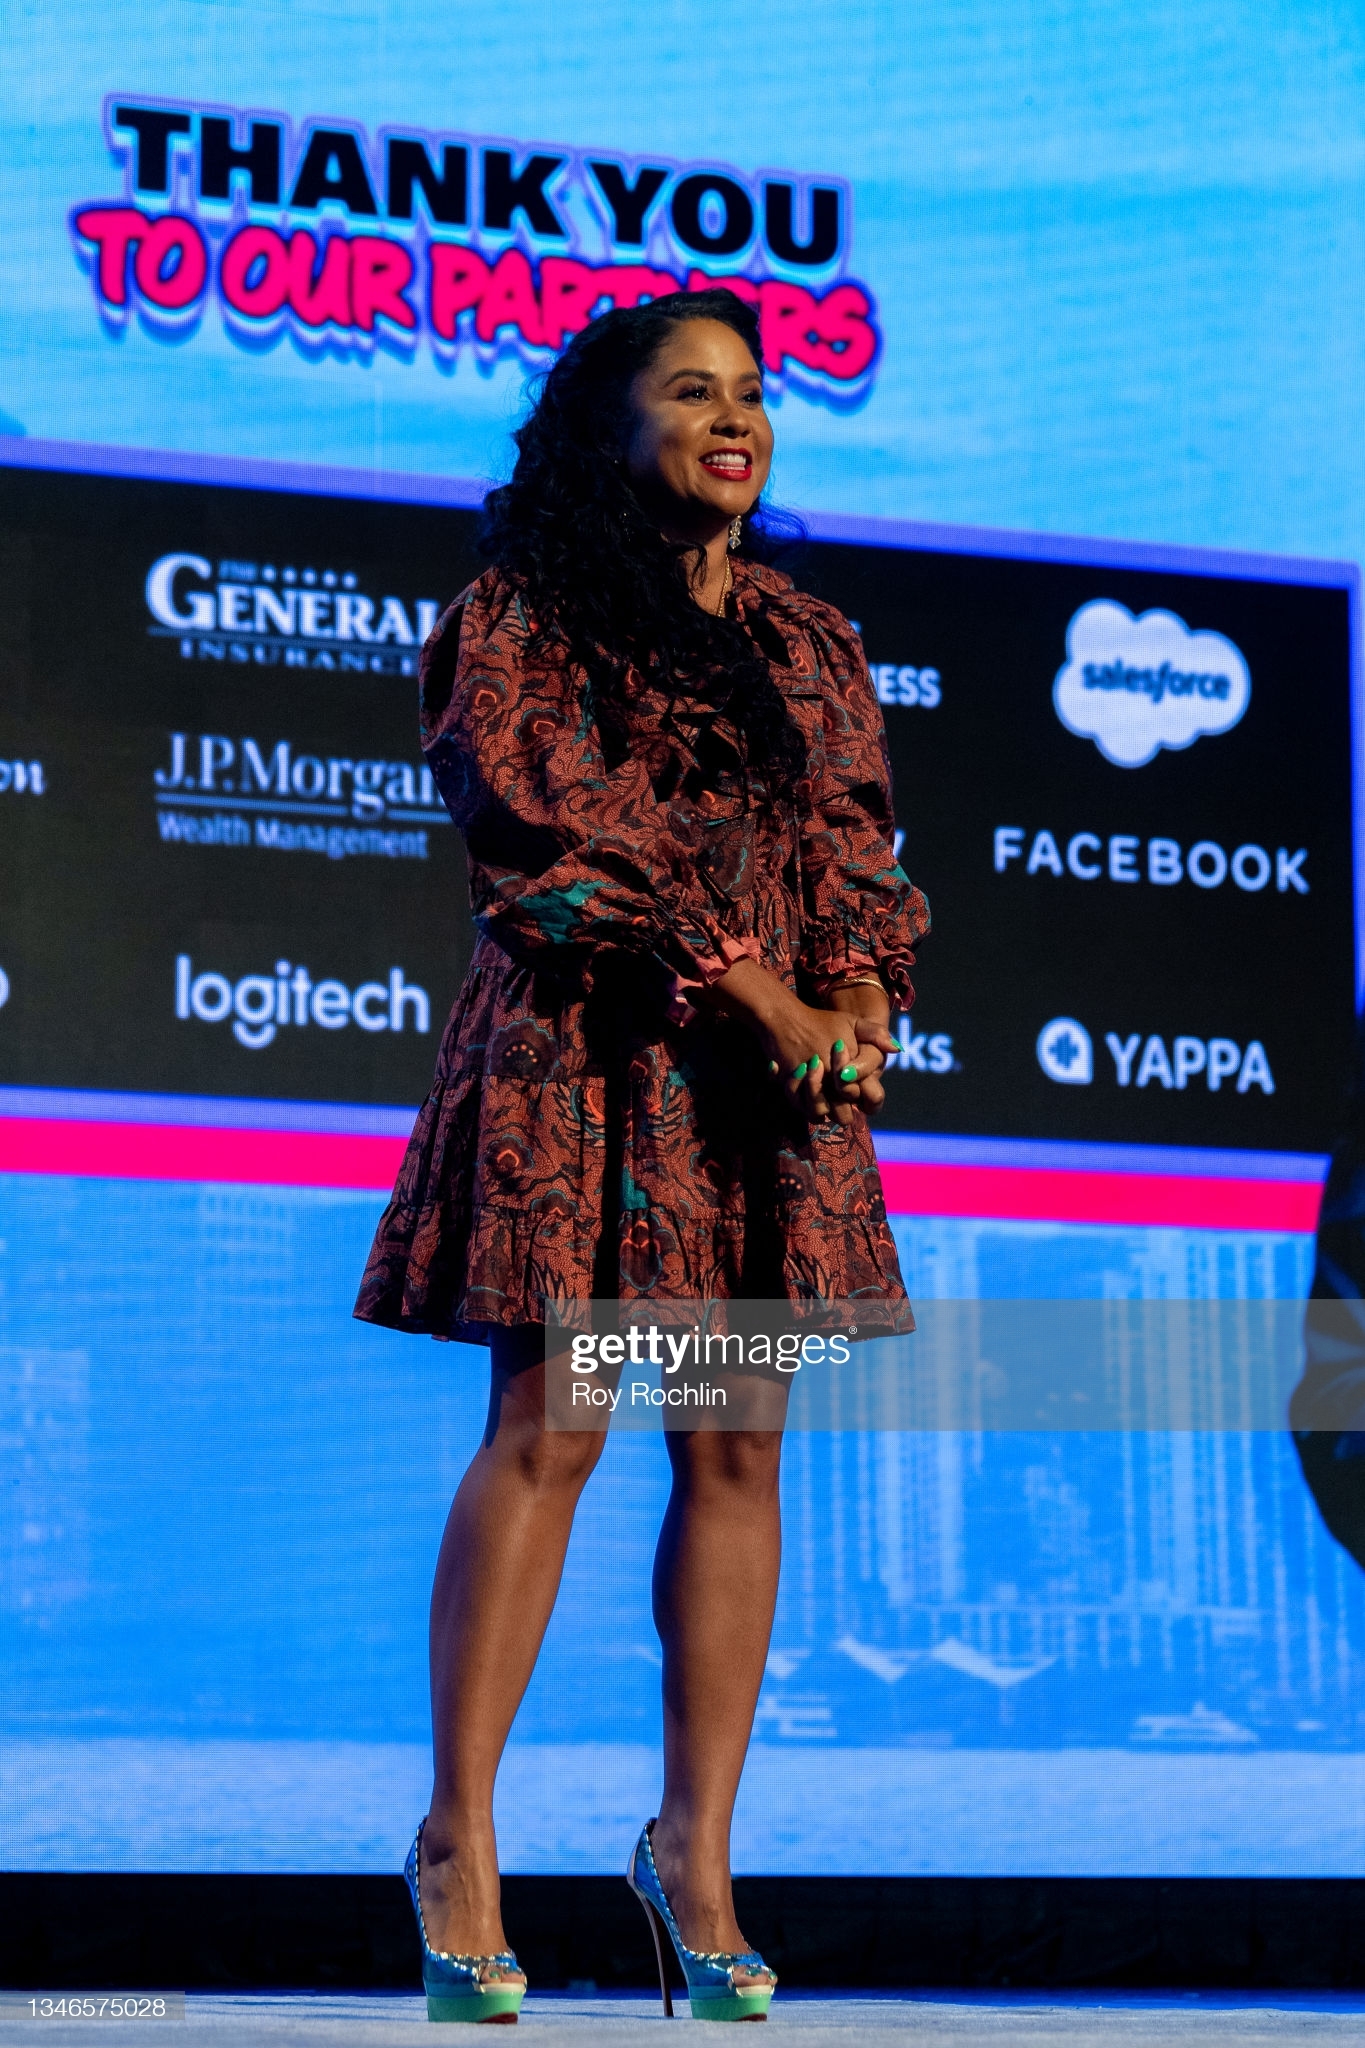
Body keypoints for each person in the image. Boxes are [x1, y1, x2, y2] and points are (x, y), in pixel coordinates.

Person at [354, 288, 929, 2022]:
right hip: (591, 1065)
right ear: (610, 430)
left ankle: (693, 1855)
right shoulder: (522, 612)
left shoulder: (807, 635)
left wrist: (857, 992)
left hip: (760, 1100)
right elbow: (550, 844)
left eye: (749, 391)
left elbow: (852, 839)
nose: (734, 418)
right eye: (690, 392)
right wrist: (759, 990)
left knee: (737, 1450)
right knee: (556, 1427)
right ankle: (456, 1841)